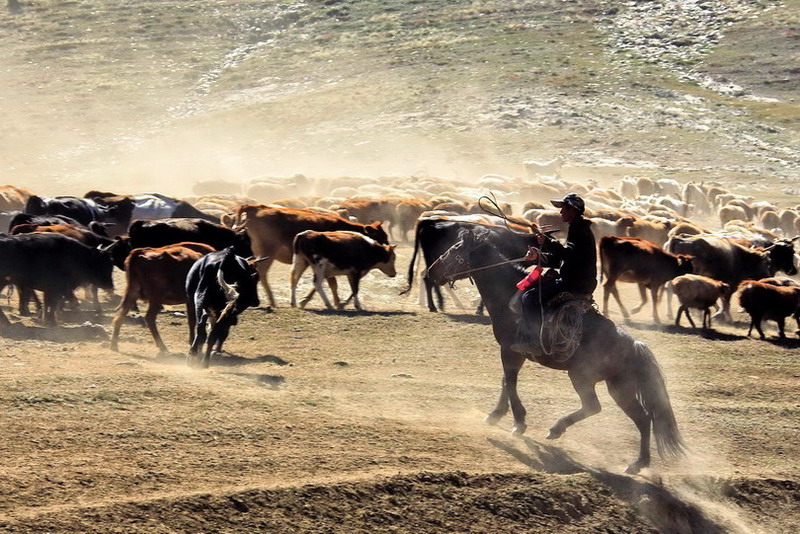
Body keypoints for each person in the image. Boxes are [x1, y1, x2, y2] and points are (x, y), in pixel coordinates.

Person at [513, 192, 597, 353]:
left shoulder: (579, 230)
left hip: (575, 282)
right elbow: (562, 260)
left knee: (530, 297)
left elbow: (571, 256)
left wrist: (549, 242)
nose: (560, 212)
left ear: (572, 210)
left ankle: (534, 341)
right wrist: (539, 255)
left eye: (563, 209)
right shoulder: (578, 227)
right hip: (577, 279)